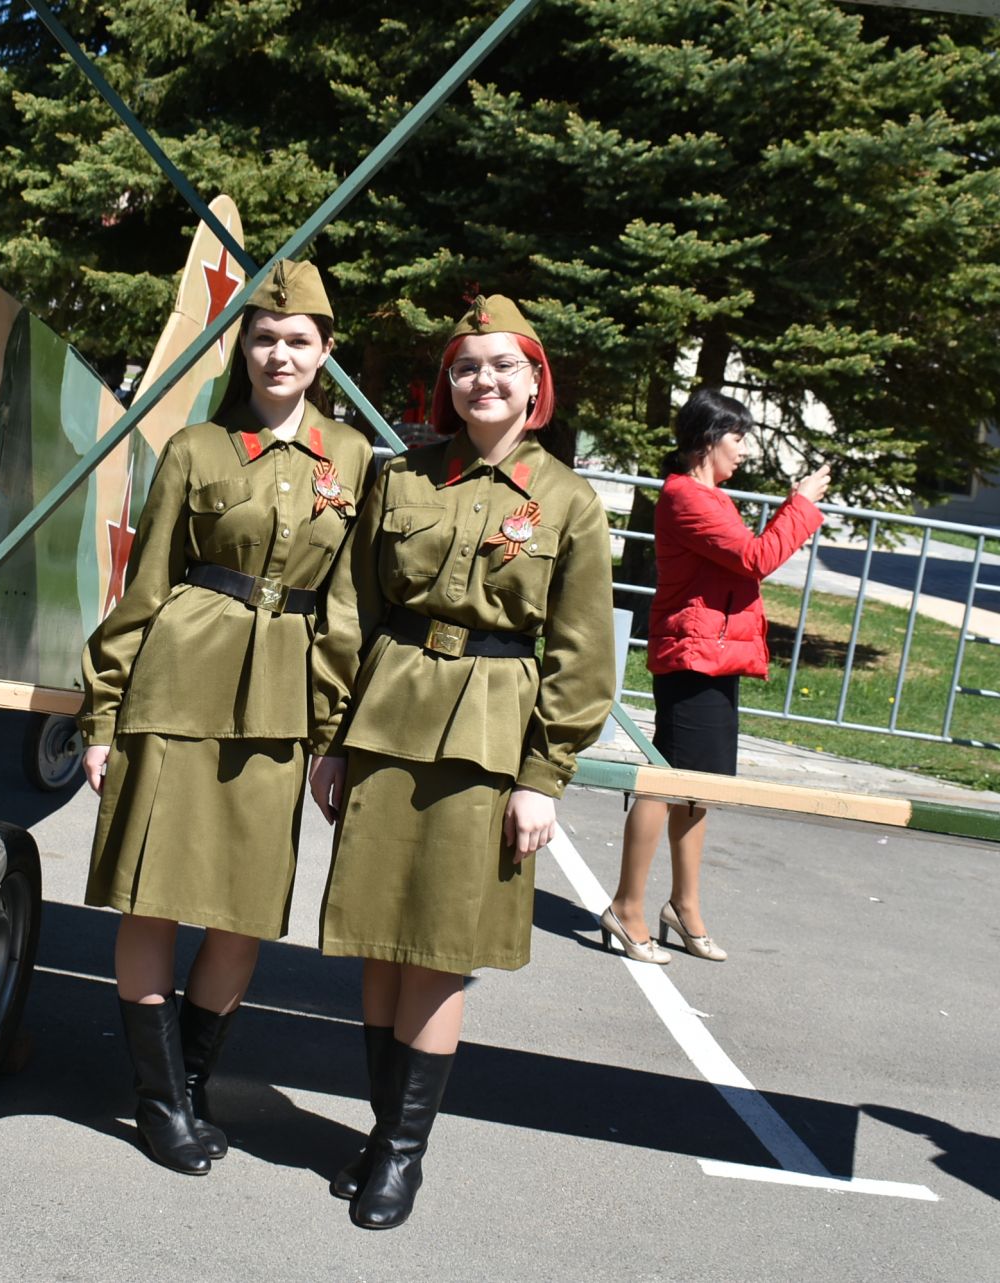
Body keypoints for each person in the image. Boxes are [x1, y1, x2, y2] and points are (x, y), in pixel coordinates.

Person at [309, 295, 614, 1229]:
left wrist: (543, 777)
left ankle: (402, 1154)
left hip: (488, 733)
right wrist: (328, 735)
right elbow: (353, 610)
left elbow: (581, 654)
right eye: (467, 366)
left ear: (535, 383)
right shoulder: (403, 478)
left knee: (439, 950)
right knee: (372, 936)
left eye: (502, 365)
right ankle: (377, 1126)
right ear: (450, 384)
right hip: (387, 714)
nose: (483, 380)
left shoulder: (568, 501)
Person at [77, 260, 373, 1175]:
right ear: (242, 346)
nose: (278, 352)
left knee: (245, 910)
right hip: (178, 684)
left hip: (281, 703)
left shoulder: (355, 461)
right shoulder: (198, 450)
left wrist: (329, 734)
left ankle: (193, 1082)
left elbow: (350, 610)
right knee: (153, 895)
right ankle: (160, 1100)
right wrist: (102, 715)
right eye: (263, 336)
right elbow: (146, 586)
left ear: (324, 354)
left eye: (298, 340)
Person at [602, 387, 830, 964]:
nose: (746, 449)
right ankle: (627, 908)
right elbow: (756, 558)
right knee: (666, 779)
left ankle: (684, 906)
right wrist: (801, 504)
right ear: (707, 439)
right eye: (739, 437)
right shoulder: (686, 498)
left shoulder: (712, 496)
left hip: (715, 655)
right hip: (691, 658)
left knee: (700, 788)